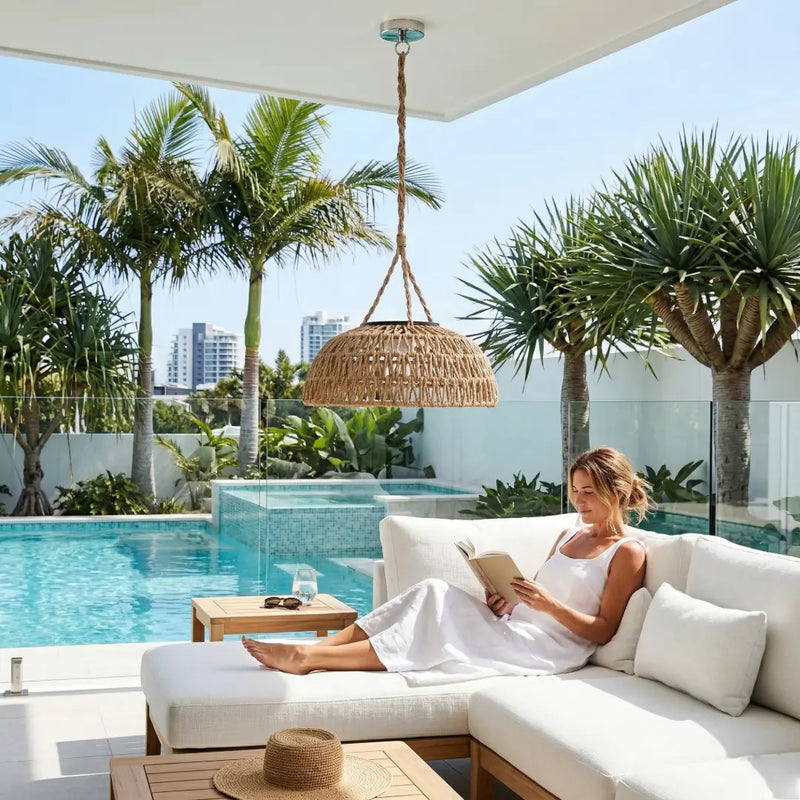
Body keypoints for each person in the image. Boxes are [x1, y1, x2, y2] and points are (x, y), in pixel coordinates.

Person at [242, 447, 649, 685]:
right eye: (575, 492)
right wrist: (507, 600)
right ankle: (315, 648)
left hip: (546, 649)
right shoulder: (568, 536)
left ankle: (310, 660)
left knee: (433, 618)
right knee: (431, 589)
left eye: (589, 493)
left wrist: (548, 606)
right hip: (514, 626)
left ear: (617, 491)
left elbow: (604, 629)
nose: (579, 502)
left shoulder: (626, 552)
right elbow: (535, 594)